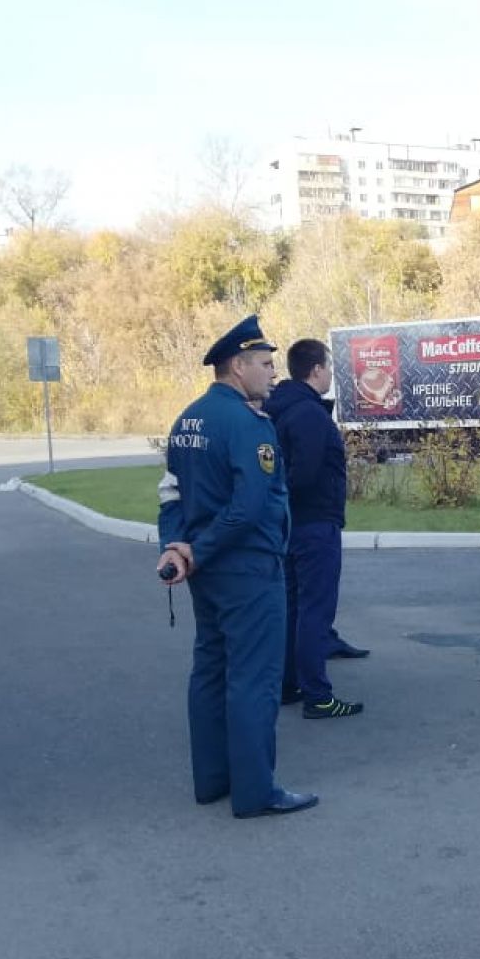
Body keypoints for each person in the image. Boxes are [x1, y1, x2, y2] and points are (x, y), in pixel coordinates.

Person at [156, 315, 317, 819]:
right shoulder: (246, 425)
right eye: (266, 365)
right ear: (236, 366)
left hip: (206, 576)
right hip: (247, 569)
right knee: (254, 680)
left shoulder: (188, 420)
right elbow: (249, 507)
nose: (273, 374)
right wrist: (198, 550)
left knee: (210, 671)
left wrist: (176, 547)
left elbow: (171, 495)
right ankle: (255, 791)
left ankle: (213, 781)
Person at [269, 338, 361, 720]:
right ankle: (317, 694)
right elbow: (304, 473)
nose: (330, 376)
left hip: (294, 525)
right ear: (316, 370)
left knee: (294, 607)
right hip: (313, 523)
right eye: (327, 368)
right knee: (315, 609)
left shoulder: (283, 408)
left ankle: (289, 683)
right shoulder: (307, 414)